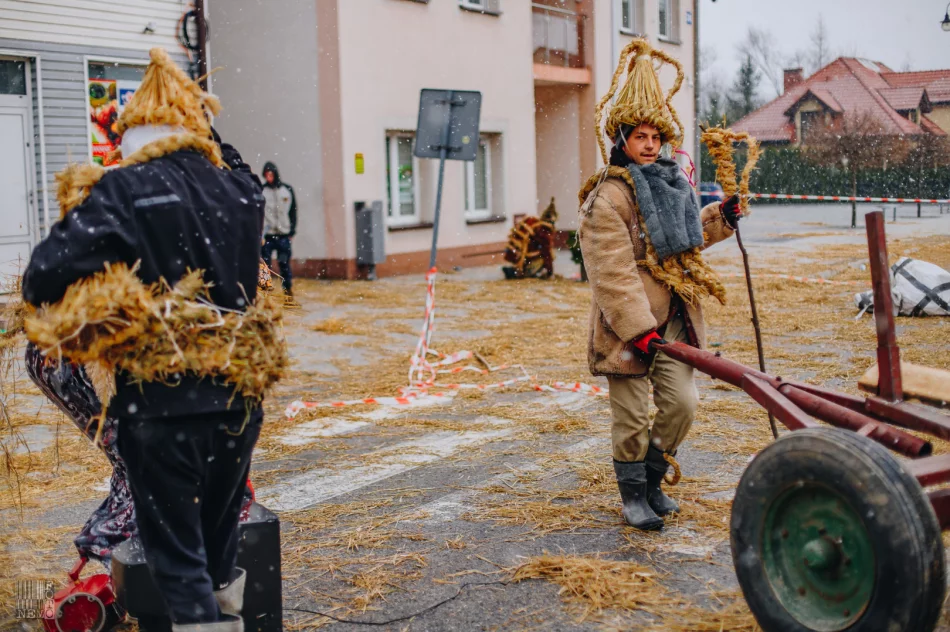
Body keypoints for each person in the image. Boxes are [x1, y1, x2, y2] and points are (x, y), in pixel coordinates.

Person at [22, 48, 266, 631]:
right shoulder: (240, 192)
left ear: (134, 135)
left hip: (162, 402)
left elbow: (41, 277)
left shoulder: (126, 189)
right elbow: (236, 165)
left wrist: (107, 286)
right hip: (239, 397)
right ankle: (225, 617)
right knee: (217, 548)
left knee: (178, 561)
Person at [577, 39, 742, 531]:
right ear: (623, 138)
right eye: (640, 136)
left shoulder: (673, 183)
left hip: (674, 322)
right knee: (630, 419)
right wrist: (637, 328)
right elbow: (612, 274)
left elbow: (687, 240)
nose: (649, 144)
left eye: (655, 136)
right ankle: (632, 496)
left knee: (682, 406)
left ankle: (651, 481)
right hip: (628, 329)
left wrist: (722, 218)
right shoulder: (606, 198)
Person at [260, 162, 297, 299]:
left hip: (283, 235)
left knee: (284, 263)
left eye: (271, 174)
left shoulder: (287, 190)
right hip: (268, 236)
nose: (269, 178)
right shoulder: (262, 191)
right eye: (266, 175)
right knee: (265, 265)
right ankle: (264, 292)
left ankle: (288, 290)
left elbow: (293, 212)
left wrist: (292, 232)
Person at [503, 197, 558, 279]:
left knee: (537, 253)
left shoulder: (533, 222)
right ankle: (523, 273)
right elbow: (547, 252)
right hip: (520, 256)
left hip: (513, 254)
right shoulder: (544, 232)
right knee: (545, 256)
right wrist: (550, 272)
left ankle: (515, 270)